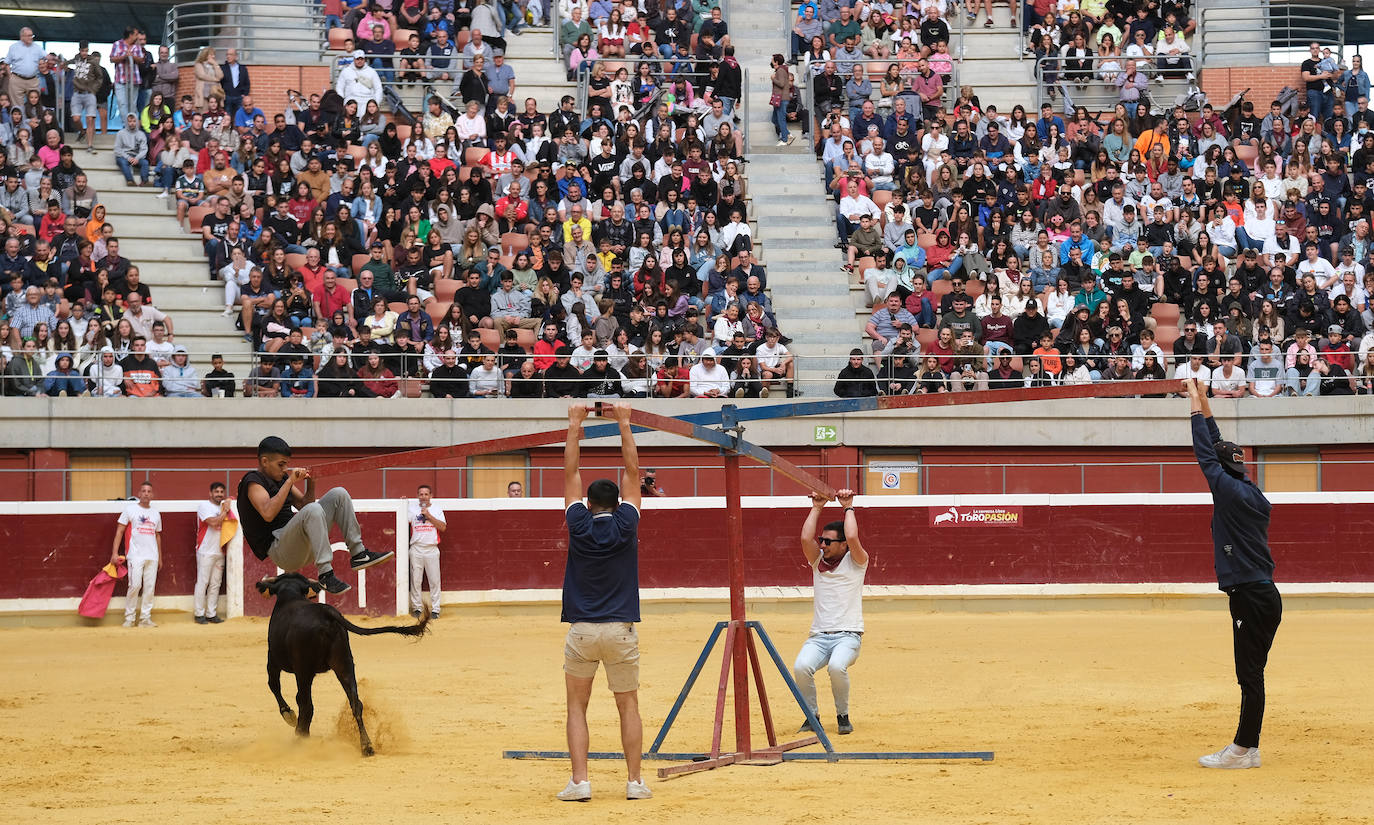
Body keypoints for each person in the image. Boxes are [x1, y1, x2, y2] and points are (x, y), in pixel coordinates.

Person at [1185, 378, 1282, 770]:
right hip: (1263, 594)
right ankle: (1249, 747)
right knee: (1251, 673)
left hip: (1250, 596)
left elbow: (1205, 453)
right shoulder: (1248, 487)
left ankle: (1243, 750)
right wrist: (1204, 402)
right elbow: (1218, 446)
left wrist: (1192, 407)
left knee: (1249, 675)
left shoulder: (1226, 488)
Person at [558, 402, 651, 803]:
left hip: (582, 628)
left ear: (589, 504)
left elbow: (570, 472)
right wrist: (625, 423)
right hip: (620, 629)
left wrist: (574, 423)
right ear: (617, 503)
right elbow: (633, 473)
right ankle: (634, 782)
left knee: (577, 708)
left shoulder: (577, 522)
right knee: (627, 706)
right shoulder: (627, 522)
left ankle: (580, 782)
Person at [237, 436, 392, 595]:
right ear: (264, 462)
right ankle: (326, 574)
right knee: (313, 509)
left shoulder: (282, 478)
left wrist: (311, 484)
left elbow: (305, 506)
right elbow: (268, 513)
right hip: (279, 549)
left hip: (300, 544)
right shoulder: (253, 481)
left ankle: (359, 553)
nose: (285, 469)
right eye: (281, 464)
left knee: (339, 494)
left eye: (286, 465)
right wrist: (290, 482)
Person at [793, 488, 868, 736]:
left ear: (843, 545)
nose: (822, 545)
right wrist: (817, 506)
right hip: (819, 636)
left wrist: (848, 506)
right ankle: (812, 716)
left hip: (848, 636)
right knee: (801, 667)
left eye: (828, 541)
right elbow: (805, 540)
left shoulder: (856, 562)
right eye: (822, 540)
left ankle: (842, 715)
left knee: (837, 667)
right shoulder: (818, 563)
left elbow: (854, 537)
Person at [110, 481, 162, 628]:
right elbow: (120, 531)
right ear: (139, 494)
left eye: (149, 491)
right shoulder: (130, 510)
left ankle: (145, 618)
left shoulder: (156, 513)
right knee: (135, 585)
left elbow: (157, 536)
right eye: (143, 491)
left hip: (152, 555)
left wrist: (160, 557)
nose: (146, 493)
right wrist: (115, 553)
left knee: (150, 587)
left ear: (152, 495)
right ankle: (130, 618)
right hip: (135, 555)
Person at [193, 482, 234, 624]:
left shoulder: (224, 505)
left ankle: (211, 613)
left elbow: (233, 499)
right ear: (210, 493)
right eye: (216, 491)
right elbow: (213, 522)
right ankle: (199, 614)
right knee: (203, 582)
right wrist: (225, 511)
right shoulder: (204, 506)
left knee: (216, 583)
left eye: (222, 492)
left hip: (219, 550)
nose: (219, 494)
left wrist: (228, 501)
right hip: (205, 550)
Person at [405, 484, 447, 620]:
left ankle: (435, 609)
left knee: (434, 580)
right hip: (416, 548)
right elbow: (401, 518)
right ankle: (417, 608)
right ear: (418, 496)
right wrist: (402, 503)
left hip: (431, 549)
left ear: (431, 496)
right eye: (421, 494)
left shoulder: (436, 509)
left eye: (426, 494)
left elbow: (443, 527)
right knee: (416, 580)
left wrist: (429, 516)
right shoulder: (411, 509)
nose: (423, 496)